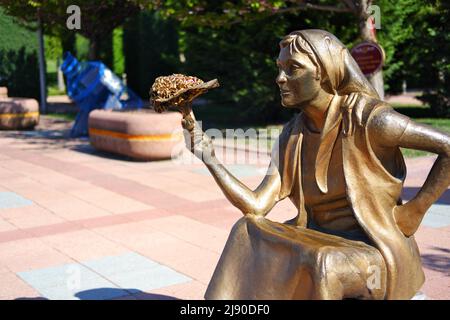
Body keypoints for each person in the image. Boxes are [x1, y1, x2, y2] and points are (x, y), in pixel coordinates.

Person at [181, 29, 450, 300]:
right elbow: (257, 206)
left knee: (324, 262)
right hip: (316, 235)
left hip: (373, 249)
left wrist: (414, 212)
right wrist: (210, 158)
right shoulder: (292, 135)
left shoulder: (370, 120)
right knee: (245, 231)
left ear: (323, 71)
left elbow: (448, 147)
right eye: (279, 68)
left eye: (293, 68)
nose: (280, 78)